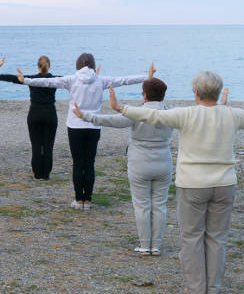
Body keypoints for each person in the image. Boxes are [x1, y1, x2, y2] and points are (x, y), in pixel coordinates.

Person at [111, 74, 244, 294]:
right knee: (217, 238)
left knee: (192, 237)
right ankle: (212, 290)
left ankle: (196, 289)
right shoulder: (231, 114)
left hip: (192, 184)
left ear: (196, 93)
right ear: (218, 91)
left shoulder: (186, 114)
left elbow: (153, 115)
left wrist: (121, 108)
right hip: (224, 184)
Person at [18, 54, 151, 209]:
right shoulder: (100, 80)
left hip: (75, 126)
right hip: (94, 126)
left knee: (77, 163)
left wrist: (26, 80)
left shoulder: (72, 79)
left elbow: (47, 81)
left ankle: (78, 200)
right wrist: (146, 77)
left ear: (77, 66)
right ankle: (87, 200)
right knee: (89, 163)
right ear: (93, 65)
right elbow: (124, 80)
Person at [72, 78, 173, 255]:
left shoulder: (136, 113)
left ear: (145, 95)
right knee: (159, 205)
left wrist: (85, 116)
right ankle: (155, 246)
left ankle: (144, 245)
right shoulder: (171, 113)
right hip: (163, 161)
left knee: (141, 205)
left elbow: (111, 120)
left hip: (139, 162)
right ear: (163, 95)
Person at [0, 56, 59, 180]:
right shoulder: (55, 79)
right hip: (50, 115)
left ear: (38, 67)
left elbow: (12, 78)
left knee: (36, 146)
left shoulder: (30, 79)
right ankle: (46, 174)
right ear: (49, 66)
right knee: (48, 146)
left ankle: (38, 174)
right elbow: (75, 80)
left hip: (35, 115)